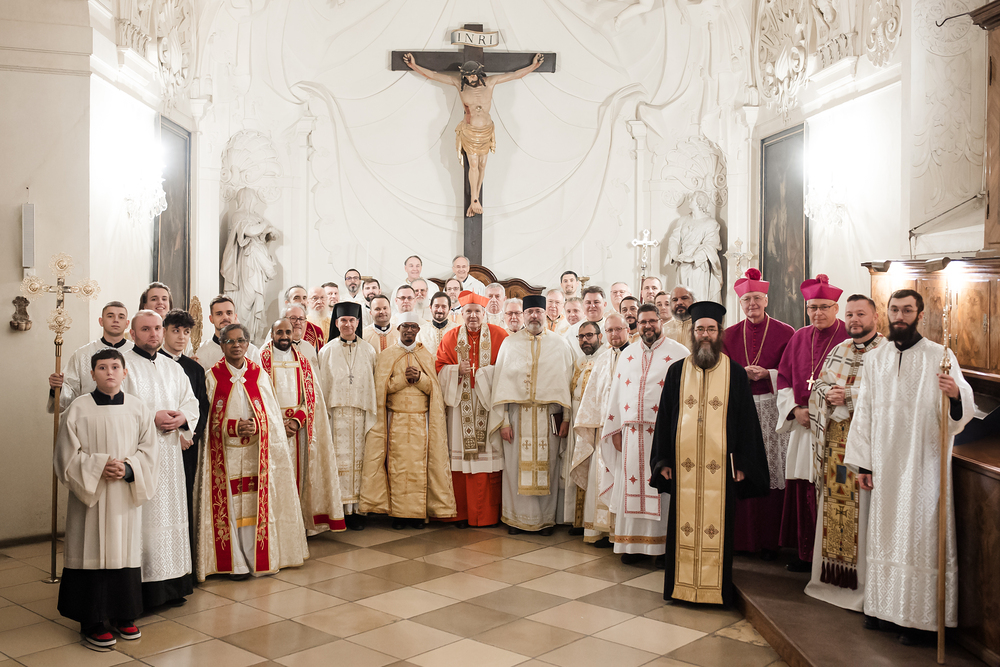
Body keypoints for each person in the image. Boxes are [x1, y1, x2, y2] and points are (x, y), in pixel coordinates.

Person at [845, 289, 973, 644]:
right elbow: (865, 411)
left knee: (919, 537)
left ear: (920, 315)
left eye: (907, 310)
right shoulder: (876, 358)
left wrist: (955, 395)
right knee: (884, 535)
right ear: (887, 313)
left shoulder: (940, 356)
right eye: (894, 309)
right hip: (884, 463)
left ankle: (919, 621)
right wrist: (864, 464)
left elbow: (961, 411)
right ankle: (883, 610)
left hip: (923, 465)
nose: (899, 316)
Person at [649, 301, 770, 604]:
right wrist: (663, 460)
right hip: (684, 466)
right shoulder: (677, 372)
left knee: (719, 528)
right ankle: (680, 589)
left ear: (719, 333)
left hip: (721, 468)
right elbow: (665, 419)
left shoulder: (735, 373)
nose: (705, 334)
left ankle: (715, 592)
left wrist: (742, 463)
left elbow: (747, 423)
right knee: (682, 525)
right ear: (693, 332)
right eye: (700, 329)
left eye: (711, 329)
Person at [55, 348, 157, 649]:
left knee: (123, 551)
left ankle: (125, 614)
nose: (109, 372)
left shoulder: (138, 408)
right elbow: (64, 456)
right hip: (91, 497)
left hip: (124, 494)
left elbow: (150, 451)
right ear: (92, 374)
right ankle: (92, 620)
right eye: (102, 367)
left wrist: (129, 468)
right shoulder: (78, 408)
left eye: (115, 367)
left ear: (125, 372)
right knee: (91, 549)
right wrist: (98, 466)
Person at [194, 323, 309, 580]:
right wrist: (233, 427)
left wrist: (257, 425)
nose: (236, 345)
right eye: (230, 341)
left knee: (254, 507)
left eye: (241, 341)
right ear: (222, 345)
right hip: (225, 456)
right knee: (230, 507)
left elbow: (272, 417)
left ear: (248, 344)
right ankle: (235, 562)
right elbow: (206, 421)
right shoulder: (212, 377)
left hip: (257, 455)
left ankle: (255, 558)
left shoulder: (259, 375)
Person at [804, 295, 884, 613]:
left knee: (863, 515)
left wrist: (848, 395)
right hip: (835, 447)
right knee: (834, 510)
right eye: (850, 314)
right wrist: (828, 392)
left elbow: (887, 397)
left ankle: (863, 587)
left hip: (865, 452)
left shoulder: (886, 352)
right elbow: (819, 385)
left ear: (875, 317)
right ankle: (829, 581)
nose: (854, 320)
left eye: (860, 314)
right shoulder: (840, 349)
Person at [403, 53, 545, 217]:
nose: (470, 78)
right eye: (467, 75)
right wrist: (414, 66)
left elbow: (514, 75)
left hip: (486, 130)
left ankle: (475, 200)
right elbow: (434, 75)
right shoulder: (459, 84)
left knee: (483, 165)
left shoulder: (490, 82)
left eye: (472, 75)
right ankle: (474, 199)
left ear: (479, 73)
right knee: (473, 164)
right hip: (470, 131)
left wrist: (534, 65)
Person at [601, 304, 689, 564]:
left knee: (662, 489)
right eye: (642, 322)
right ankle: (632, 547)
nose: (647, 326)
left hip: (662, 434)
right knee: (630, 485)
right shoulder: (628, 354)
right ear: (636, 325)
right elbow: (617, 393)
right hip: (630, 434)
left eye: (652, 320)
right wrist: (615, 429)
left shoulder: (679, 353)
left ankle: (662, 549)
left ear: (661, 321)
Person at [121, 311, 198, 608]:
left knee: (172, 514)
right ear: (132, 333)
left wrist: (182, 418)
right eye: (145, 329)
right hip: (139, 455)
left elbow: (190, 402)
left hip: (170, 455)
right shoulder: (123, 365)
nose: (152, 334)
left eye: (156, 328)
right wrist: (152, 417)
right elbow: (118, 406)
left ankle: (172, 586)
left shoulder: (173, 367)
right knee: (144, 519)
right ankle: (143, 589)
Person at [776, 274, 849, 572]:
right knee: (803, 487)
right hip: (804, 427)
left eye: (823, 307)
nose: (817, 313)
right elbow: (783, 378)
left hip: (835, 429)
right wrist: (795, 409)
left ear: (836, 308)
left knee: (831, 488)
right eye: (812, 307)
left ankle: (832, 556)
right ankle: (806, 553)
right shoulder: (799, 337)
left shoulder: (848, 339)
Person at [721, 269, 795, 560]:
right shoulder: (728, 335)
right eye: (746, 299)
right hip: (741, 410)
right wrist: (742, 373)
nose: (751, 304)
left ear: (766, 300)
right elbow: (722, 372)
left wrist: (768, 374)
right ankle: (743, 539)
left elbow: (792, 372)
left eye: (756, 298)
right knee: (743, 467)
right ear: (740, 303)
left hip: (774, 410)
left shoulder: (786, 332)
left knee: (774, 471)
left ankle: (770, 540)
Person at [361, 313, 457, 528]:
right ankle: (398, 514)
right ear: (399, 329)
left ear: (418, 330)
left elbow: (434, 390)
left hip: (421, 419)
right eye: (405, 326)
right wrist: (403, 379)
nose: (409, 330)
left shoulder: (426, 355)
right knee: (397, 467)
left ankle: (417, 515)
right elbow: (380, 390)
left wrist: (420, 379)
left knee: (419, 467)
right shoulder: (386, 355)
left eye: (413, 327)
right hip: (395, 419)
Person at [490, 295, 575, 535]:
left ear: (545, 313)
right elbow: (500, 385)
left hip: (550, 416)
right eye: (530, 312)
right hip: (517, 416)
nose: (534, 316)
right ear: (524, 315)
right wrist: (504, 422)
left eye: (538, 311)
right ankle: (516, 519)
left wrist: (566, 419)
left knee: (549, 466)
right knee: (515, 467)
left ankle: (545, 520)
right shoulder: (510, 344)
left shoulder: (560, 344)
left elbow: (567, 383)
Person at [260, 318, 346, 535]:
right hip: (272, 430)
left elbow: (312, 396)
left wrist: (296, 420)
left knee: (298, 478)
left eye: (288, 332)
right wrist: (279, 423)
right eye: (279, 332)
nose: (284, 337)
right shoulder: (261, 360)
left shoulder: (303, 361)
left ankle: (298, 528)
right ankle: (277, 529)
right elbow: (258, 397)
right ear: (272, 334)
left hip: (298, 431)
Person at [436, 291, 509, 527]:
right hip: (460, 406)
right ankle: (461, 513)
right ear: (461, 314)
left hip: (489, 404)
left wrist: (487, 374)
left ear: (484, 313)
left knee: (488, 460)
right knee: (460, 461)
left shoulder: (500, 335)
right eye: (468, 311)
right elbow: (439, 367)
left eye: (477, 311)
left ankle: (488, 515)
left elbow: (509, 368)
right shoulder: (450, 336)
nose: (473, 316)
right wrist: (456, 371)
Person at [316, 302, 378, 530]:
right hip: (336, 416)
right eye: (343, 320)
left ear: (358, 323)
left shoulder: (369, 350)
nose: (348, 324)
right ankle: (339, 510)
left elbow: (373, 381)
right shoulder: (326, 351)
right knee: (337, 461)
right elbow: (322, 385)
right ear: (336, 323)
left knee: (360, 463)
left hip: (361, 415)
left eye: (352, 320)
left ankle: (358, 511)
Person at [571, 313, 631, 547]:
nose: (614, 334)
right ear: (605, 334)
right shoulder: (603, 359)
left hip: (627, 432)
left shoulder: (635, 356)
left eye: (618, 329)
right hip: (602, 431)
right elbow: (592, 396)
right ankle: (603, 531)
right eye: (610, 330)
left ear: (627, 330)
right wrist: (591, 424)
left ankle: (620, 533)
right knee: (601, 477)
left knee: (623, 479)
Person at [160, 309, 209, 570]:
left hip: (187, 447)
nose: (181, 337)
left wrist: (189, 435)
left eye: (186, 332)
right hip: (160, 443)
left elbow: (201, 406)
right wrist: (174, 434)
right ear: (164, 332)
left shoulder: (194, 368)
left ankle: (184, 565)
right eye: (176, 331)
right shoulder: (153, 363)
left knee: (184, 501)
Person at [560, 320, 607, 534]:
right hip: (576, 424)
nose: (585, 340)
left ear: (600, 336)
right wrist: (566, 419)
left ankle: (592, 525)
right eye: (581, 337)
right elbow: (570, 393)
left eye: (589, 335)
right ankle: (577, 520)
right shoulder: (579, 362)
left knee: (593, 471)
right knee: (577, 466)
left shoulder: (605, 359)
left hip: (595, 425)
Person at [48, 301, 133, 413]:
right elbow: (70, 393)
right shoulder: (82, 354)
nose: (116, 320)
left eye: (121, 317)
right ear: (101, 321)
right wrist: (58, 388)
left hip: (127, 416)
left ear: (127, 323)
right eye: (110, 316)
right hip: (90, 416)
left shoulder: (135, 353)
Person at [664, 193, 724, 303]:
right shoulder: (682, 220)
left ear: (699, 202)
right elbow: (674, 238)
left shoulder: (710, 223)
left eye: (692, 198)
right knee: (681, 297)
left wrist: (693, 258)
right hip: (683, 263)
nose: (689, 200)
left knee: (698, 297)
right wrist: (674, 255)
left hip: (699, 266)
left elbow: (710, 245)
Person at [196, 295, 262, 370]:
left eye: (229, 313)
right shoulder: (199, 352)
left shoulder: (251, 351)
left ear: (235, 317)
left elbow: (259, 377)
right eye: (219, 314)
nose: (225, 317)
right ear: (211, 319)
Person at [565, 286, 607, 357]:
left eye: (596, 302)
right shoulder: (572, 331)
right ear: (583, 305)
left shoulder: (612, 328)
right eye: (588, 302)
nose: (592, 306)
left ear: (604, 304)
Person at [285, 286, 325, 352]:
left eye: (304, 298)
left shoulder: (316, 331)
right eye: (296, 298)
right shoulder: (278, 329)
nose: (302, 302)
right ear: (287, 303)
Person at [418, 291, 459, 355]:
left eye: (444, 306)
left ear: (449, 309)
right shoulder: (421, 332)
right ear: (430, 307)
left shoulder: (458, 331)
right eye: (436, 306)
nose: (440, 310)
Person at [663, 286, 695, 350]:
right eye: (675, 300)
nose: (679, 302)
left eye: (684, 298)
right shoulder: (663, 330)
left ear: (694, 302)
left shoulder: (702, 329)